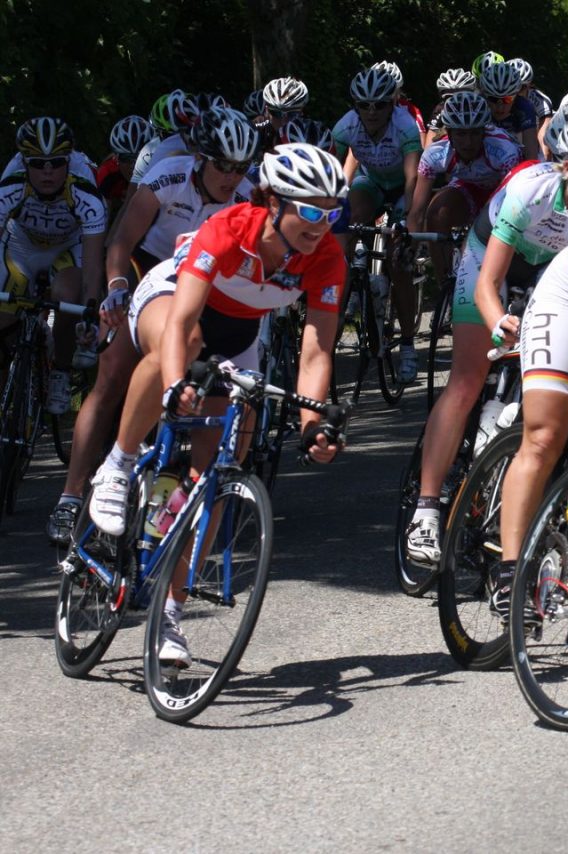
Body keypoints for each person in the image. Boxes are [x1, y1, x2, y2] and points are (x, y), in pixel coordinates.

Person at [85, 143, 348, 663]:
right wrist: (178, 383)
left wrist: (312, 423)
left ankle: (169, 616)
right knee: (181, 351)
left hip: (240, 332)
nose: (322, 223)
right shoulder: (230, 230)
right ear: (272, 200)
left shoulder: (327, 258)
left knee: (217, 474)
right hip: (175, 300)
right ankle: (118, 464)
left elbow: (316, 351)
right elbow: (182, 324)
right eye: (311, 210)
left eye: (332, 211)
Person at [403, 115, 568, 568]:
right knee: (468, 381)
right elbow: (490, 282)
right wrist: (499, 323)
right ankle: (426, 510)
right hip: (489, 260)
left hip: (554, 275)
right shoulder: (531, 189)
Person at [45, 108, 256, 543]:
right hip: (150, 273)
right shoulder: (168, 176)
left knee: (200, 402)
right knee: (111, 380)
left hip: (206, 288)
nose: (231, 177)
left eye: (239, 168)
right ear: (200, 157)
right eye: (222, 165)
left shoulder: (248, 196)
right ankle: (70, 497)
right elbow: (121, 240)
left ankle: (163, 521)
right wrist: (117, 287)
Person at [0, 117, 106, 416]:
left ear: (69, 161)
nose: (47, 171)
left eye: (57, 162)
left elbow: (94, 265)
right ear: (24, 162)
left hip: (67, 247)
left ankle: (60, 371)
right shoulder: (10, 184)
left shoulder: (86, 192)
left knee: (66, 295)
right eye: (38, 163)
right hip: (22, 245)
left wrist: (89, 310)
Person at [333, 65, 423, 381]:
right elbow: (336, 174)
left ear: (392, 103)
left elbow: (413, 177)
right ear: (355, 106)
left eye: (380, 105)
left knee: (398, 263)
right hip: (370, 181)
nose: (372, 112)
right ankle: (348, 294)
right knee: (349, 221)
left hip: (401, 188)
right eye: (364, 105)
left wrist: (408, 221)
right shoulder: (345, 129)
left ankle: (409, 344)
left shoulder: (405, 127)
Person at [407, 92, 520, 294]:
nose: (468, 142)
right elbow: (417, 211)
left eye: (474, 133)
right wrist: (410, 247)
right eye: (461, 134)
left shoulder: (504, 150)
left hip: (501, 191)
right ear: (449, 133)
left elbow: (512, 205)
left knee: (482, 234)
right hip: (469, 187)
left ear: (484, 132)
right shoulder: (435, 154)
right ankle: (446, 289)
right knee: (436, 213)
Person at [96, 116, 155, 217]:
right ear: (116, 158)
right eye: (126, 158)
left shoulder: (161, 167)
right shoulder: (107, 174)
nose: (134, 164)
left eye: (141, 157)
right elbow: (103, 221)